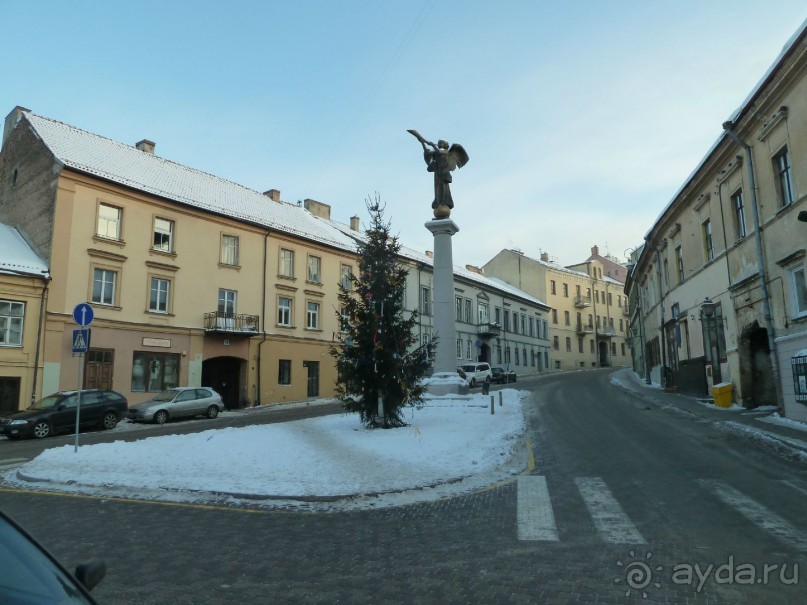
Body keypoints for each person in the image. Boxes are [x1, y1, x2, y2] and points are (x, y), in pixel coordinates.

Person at [408, 130, 469, 212]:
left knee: (444, 188)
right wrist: (422, 143)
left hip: (444, 173)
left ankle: (444, 201)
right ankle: (438, 201)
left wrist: (432, 144)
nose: (439, 144)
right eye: (439, 143)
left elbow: (438, 151)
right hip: (437, 173)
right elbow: (427, 152)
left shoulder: (446, 152)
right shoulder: (436, 152)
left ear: (445, 145)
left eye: (441, 143)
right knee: (437, 188)